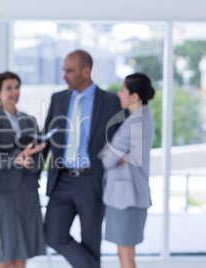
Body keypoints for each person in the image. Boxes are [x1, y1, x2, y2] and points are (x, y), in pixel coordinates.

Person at [42, 50, 121, 268]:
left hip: (92, 180)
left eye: (69, 71)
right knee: (52, 235)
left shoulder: (112, 101)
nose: (64, 76)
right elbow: (47, 139)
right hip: (62, 180)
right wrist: (31, 166)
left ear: (86, 71)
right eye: (64, 70)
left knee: (91, 243)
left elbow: (125, 138)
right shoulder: (58, 99)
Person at [0, 71, 46, 268]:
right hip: (7, 190)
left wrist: (30, 162)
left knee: (24, 245)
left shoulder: (30, 120)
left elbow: (40, 156)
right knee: (8, 245)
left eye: (17, 87)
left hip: (28, 188)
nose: (14, 92)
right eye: (9, 88)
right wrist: (18, 159)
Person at [98, 73, 155, 268]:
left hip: (127, 198)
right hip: (128, 196)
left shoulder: (135, 122)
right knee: (124, 252)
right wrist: (116, 153)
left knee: (126, 254)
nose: (118, 94)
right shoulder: (140, 117)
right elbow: (115, 156)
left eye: (123, 91)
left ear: (135, 97)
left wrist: (112, 150)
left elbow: (108, 159)